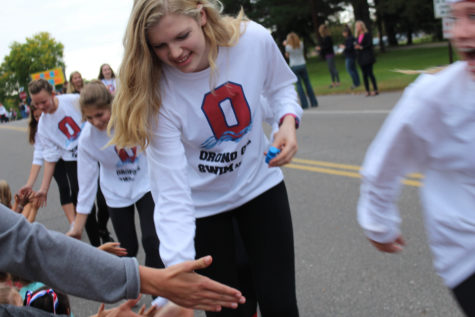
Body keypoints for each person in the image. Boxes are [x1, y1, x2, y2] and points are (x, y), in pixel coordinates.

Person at [110, 1, 302, 316]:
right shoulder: (157, 94)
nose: (174, 53)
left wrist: (287, 123)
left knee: (281, 305)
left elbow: (281, 87)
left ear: (201, 16)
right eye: (160, 45)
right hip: (204, 210)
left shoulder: (251, 40)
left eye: (181, 36)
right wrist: (180, 269)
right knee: (231, 310)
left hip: (261, 188)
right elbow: (171, 193)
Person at [357, 0, 475, 316]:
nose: (462, 33)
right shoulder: (434, 97)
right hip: (468, 251)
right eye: (455, 17)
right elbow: (384, 162)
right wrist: (378, 222)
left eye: (474, 16)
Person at [0, 204, 245, 311]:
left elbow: (28, 243)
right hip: (118, 196)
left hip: (136, 191)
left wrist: (146, 279)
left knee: (150, 240)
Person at [68, 81, 164, 272]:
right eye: (89, 118)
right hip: (115, 193)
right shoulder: (87, 139)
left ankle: (159, 298)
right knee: (127, 248)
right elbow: (86, 186)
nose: (96, 122)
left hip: (145, 184)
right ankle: (132, 287)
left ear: (110, 105)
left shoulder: (131, 117)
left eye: (100, 114)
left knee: (152, 240)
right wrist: (77, 228)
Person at [22, 79, 103, 246]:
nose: (41, 107)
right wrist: (43, 189)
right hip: (72, 161)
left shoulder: (73, 101)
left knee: (104, 199)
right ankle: (97, 246)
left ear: (53, 94)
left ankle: (102, 227)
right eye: (37, 104)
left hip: (94, 151)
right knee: (84, 204)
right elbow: (50, 159)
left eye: (44, 101)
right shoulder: (43, 126)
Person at [18, 102, 76, 224]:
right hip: (54, 161)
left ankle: (82, 214)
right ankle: (73, 223)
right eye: (36, 116)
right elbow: (38, 156)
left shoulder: (58, 119)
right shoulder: (38, 130)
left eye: (41, 115)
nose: (39, 119)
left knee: (76, 187)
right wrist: (29, 184)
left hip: (70, 156)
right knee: (64, 187)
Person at [284, 32, 318, 109]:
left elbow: (287, 55)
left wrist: (285, 45)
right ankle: (314, 102)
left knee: (299, 85)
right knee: (307, 83)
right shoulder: (301, 44)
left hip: (294, 65)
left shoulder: (288, 47)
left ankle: (304, 104)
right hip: (302, 64)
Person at [354, 20, 379, 96]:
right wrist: (356, 47)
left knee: (370, 73)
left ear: (362, 26)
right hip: (361, 57)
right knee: (364, 74)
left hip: (367, 56)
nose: (357, 28)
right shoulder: (357, 37)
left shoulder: (367, 34)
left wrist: (361, 47)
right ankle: (367, 90)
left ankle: (375, 89)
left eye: (358, 26)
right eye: (356, 26)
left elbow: (369, 44)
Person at [339, 24, 360, 89]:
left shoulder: (350, 39)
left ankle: (355, 83)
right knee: (354, 69)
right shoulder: (350, 38)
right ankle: (357, 82)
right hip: (352, 56)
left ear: (346, 33)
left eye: (343, 33)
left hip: (350, 56)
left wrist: (344, 47)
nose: (343, 34)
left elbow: (350, 47)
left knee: (349, 69)